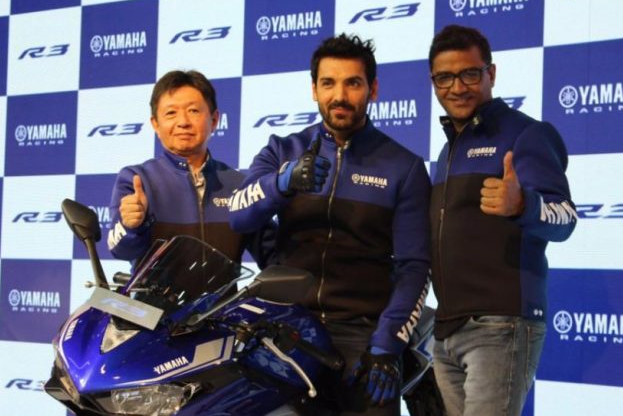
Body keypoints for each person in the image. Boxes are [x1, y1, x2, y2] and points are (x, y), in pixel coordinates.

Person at [228, 34, 431, 415]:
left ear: (373, 89)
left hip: (364, 335)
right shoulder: (282, 150)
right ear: (314, 89)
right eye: (328, 83)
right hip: (287, 331)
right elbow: (239, 214)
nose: (340, 95)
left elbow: (415, 267)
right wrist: (282, 183)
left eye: (353, 83)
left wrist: (387, 344)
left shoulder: (404, 167)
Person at [428, 24, 578, 416]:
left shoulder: (526, 134)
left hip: (501, 325)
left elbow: (565, 218)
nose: (457, 87)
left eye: (469, 74)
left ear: (490, 74)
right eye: (444, 77)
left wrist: (522, 204)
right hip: (445, 330)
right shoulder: (447, 151)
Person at [107, 70, 272, 271]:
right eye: (171, 113)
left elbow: (274, 254)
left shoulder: (240, 185)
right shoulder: (137, 179)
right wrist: (131, 226)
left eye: (193, 111)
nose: (183, 122)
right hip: (152, 294)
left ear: (214, 120)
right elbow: (120, 251)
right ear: (155, 124)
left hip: (225, 294)